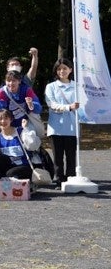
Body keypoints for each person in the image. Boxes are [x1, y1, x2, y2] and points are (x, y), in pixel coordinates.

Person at [44, 58, 79, 186]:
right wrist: (68, 107)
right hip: (56, 127)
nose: (62, 71)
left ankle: (71, 179)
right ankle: (59, 180)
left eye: (65, 68)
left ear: (70, 69)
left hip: (72, 127)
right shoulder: (51, 86)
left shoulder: (77, 86)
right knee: (58, 157)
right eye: (59, 69)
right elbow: (51, 104)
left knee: (71, 157)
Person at [0, 109, 41, 180]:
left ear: (11, 119)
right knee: (0, 158)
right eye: (0, 119)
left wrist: (26, 129)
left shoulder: (20, 132)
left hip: (24, 166)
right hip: (9, 167)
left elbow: (33, 146)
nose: (3, 121)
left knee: (10, 173)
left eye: (6, 118)